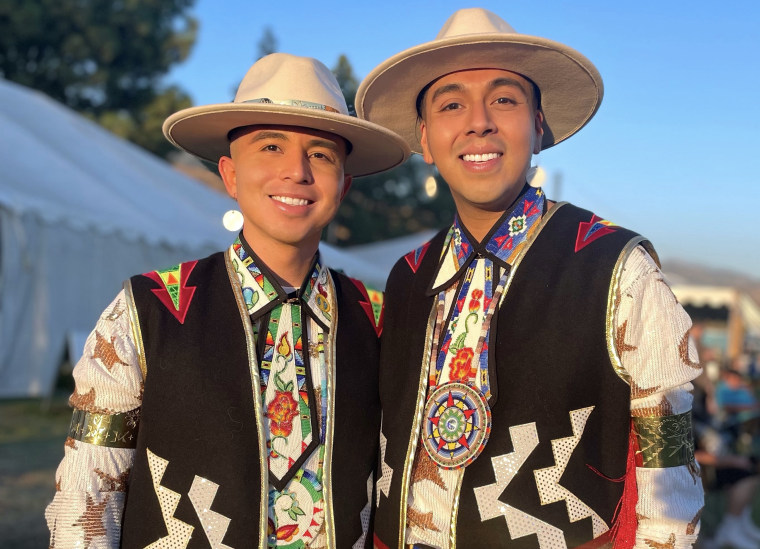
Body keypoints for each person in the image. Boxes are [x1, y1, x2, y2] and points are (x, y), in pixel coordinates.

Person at [355, 8, 704, 548]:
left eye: (504, 99)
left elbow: (671, 491)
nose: (478, 122)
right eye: (451, 104)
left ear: (537, 128)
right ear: (424, 139)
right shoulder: (407, 280)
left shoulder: (616, 267)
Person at [45, 53, 409, 548]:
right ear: (230, 174)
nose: (296, 171)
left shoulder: (379, 320)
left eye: (321, 154)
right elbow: (88, 497)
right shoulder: (148, 310)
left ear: (343, 186)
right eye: (270, 147)